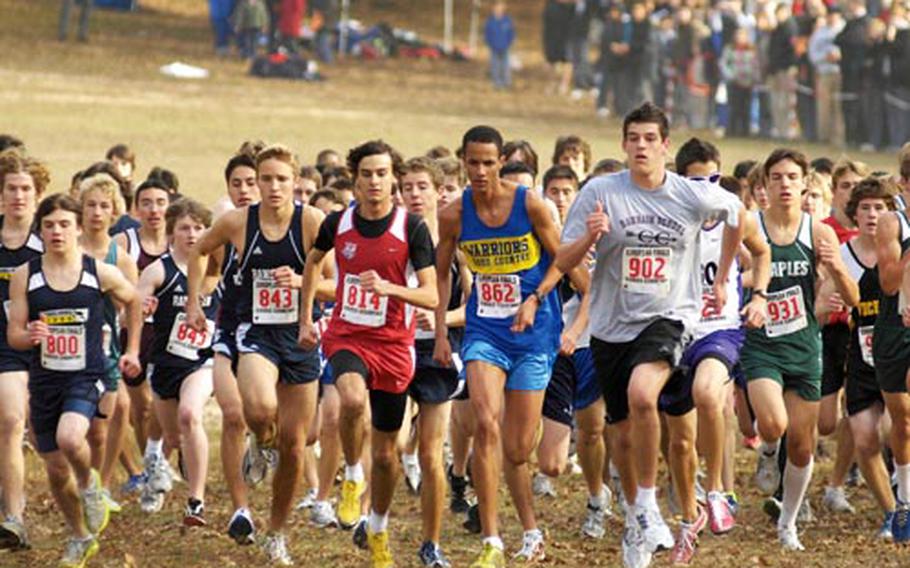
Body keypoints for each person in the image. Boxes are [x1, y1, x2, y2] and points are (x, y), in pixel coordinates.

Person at [556, 103, 746, 568]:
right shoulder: (601, 192)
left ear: (665, 146)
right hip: (610, 325)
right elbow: (563, 260)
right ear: (623, 144)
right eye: (633, 138)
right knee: (619, 435)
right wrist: (591, 238)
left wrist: (722, 277)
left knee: (645, 396)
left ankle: (643, 503)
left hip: (669, 317)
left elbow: (738, 215)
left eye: (649, 139)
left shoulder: (690, 194)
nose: (640, 146)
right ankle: (637, 524)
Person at [435, 125, 588, 567]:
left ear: (502, 162)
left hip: (534, 336)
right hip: (485, 332)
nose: (480, 171)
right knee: (485, 423)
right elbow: (442, 275)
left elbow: (566, 265)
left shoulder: (531, 206)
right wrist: (443, 333)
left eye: (489, 162)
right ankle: (492, 540)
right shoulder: (454, 215)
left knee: (519, 451)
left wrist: (540, 301)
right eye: (473, 162)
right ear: (463, 161)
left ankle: (530, 529)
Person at [298, 141, 439, 567]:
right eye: (367, 174)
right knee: (352, 400)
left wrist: (390, 288)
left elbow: (431, 296)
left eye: (382, 174)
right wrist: (306, 318)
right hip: (347, 336)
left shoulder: (410, 228)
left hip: (395, 346)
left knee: (385, 455)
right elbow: (312, 263)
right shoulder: (337, 223)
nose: (375, 182)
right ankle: (350, 478)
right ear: (355, 179)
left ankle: (377, 526)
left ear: (392, 178)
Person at [186, 144, 324, 564]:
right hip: (256, 331)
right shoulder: (237, 222)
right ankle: (261, 442)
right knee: (260, 408)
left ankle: (277, 532)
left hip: (300, 337)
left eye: (282, 179)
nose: (274, 187)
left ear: (295, 182)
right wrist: (194, 302)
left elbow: (339, 281)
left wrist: (302, 281)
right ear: (258, 181)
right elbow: (199, 251)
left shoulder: (312, 222)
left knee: (296, 446)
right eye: (267, 179)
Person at [7, 193, 141, 567]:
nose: (56, 231)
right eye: (49, 225)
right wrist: (30, 334)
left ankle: (90, 485)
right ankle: (79, 536)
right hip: (44, 380)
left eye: (65, 224)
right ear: (41, 231)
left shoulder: (98, 272)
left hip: (87, 375)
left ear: (78, 228)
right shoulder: (26, 276)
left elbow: (133, 300)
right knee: (53, 467)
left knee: (70, 437)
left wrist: (131, 349)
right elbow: (14, 334)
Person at [742, 148, 858, 552]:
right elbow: (732, 271)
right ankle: (766, 449)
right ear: (765, 186)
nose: (785, 185)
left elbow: (853, 297)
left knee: (804, 445)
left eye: (792, 177)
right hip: (763, 345)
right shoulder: (751, 226)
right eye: (777, 178)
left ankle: (788, 523)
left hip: (806, 346)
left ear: (805, 182)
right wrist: (746, 283)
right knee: (773, 424)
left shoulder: (819, 233)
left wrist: (838, 270)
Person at [671, 138, 771, 557]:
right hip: (673, 331)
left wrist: (759, 295)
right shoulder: (667, 217)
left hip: (720, 328)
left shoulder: (735, 213)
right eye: (697, 182)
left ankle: (716, 490)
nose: (708, 189)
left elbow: (761, 254)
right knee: (677, 440)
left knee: (709, 393)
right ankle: (685, 511)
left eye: (714, 179)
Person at [399, 156, 471, 565]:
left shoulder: (454, 237)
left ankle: (431, 542)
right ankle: (372, 520)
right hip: (392, 347)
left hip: (437, 349)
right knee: (386, 445)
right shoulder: (391, 234)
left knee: (431, 452)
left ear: (437, 190)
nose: (414, 195)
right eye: (407, 188)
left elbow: (474, 303)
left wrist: (442, 318)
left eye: (422, 187)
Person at [817, 177, 896, 538]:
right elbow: (819, 307)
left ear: (891, 213)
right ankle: (892, 514)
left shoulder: (903, 250)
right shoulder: (844, 256)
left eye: (879, 207)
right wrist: (828, 307)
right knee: (865, 438)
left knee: (897, 433)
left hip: (900, 359)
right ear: (855, 213)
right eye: (864, 207)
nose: (872, 214)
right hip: (861, 361)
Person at [536, 164, 611, 540]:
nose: (561, 199)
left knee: (595, 428)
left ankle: (598, 500)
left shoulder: (603, 237)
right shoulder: (544, 236)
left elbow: (592, 291)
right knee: (550, 464)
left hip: (595, 342)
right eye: (554, 191)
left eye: (568, 192)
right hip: (555, 345)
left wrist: (578, 328)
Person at [77, 173, 143, 516]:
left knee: (102, 428)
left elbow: (133, 308)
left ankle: (98, 487)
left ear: (115, 210)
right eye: (90, 205)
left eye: (104, 206)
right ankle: (83, 482)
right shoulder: (66, 247)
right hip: (67, 348)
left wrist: (132, 349)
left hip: (105, 349)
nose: (97, 212)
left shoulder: (122, 259)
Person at [114, 177, 173, 512]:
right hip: (134, 333)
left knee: (164, 406)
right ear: (135, 208)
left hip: (170, 334)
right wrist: (128, 307)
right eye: (146, 203)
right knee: (143, 408)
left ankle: (157, 462)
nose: (154, 210)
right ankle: (149, 472)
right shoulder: (124, 242)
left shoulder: (180, 239)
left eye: (160, 202)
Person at [0, 152, 49, 550]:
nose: (18, 196)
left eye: (25, 189)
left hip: (22, 350)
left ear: (38, 194)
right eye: (11, 188)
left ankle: (14, 518)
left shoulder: (49, 242)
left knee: (13, 421)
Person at [211, 153, 260, 544]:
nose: (244, 191)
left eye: (251, 182)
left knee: (286, 429)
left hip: (275, 337)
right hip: (229, 330)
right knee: (232, 416)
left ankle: (263, 442)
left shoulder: (292, 228)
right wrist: (196, 301)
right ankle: (240, 508)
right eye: (237, 184)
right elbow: (204, 266)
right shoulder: (225, 230)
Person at [484, 1, 515, 89]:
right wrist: (490, 44)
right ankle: (497, 83)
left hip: (505, 47)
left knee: (505, 66)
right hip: (494, 48)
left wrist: (509, 42)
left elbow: (511, 33)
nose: (499, 10)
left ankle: (507, 82)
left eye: (501, 8)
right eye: (497, 8)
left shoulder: (507, 21)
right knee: (495, 65)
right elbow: (487, 34)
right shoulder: (490, 21)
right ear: (493, 9)